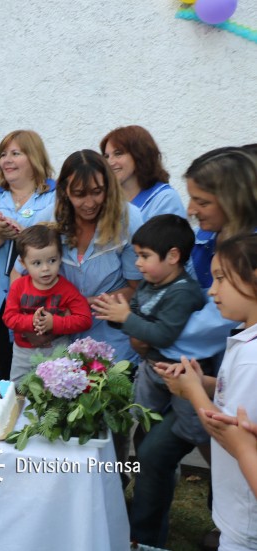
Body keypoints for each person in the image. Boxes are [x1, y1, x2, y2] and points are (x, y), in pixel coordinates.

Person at [126, 147, 257, 548]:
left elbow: (213, 315)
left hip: (205, 373)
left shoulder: (244, 250)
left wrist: (155, 336)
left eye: (202, 200)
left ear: (233, 197)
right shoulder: (219, 238)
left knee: (162, 454)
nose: (192, 208)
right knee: (159, 453)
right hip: (207, 373)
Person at [157, 233, 257, 551]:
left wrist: (193, 393)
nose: (211, 290)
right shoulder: (247, 340)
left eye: (220, 278)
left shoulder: (251, 359)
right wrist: (206, 384)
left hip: (246, 517)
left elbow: (230, 431)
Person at [0, 130, 56, 380]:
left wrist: (27, 237)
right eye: (3, 154)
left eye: (16, 153)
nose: (7, 160)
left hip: (38, 306)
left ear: (34, 157)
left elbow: (60, 243)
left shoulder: (55, 196)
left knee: (36, 381)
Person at [94, 214, 205, 415]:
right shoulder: (147, 283)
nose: (137, 263)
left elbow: (163, 335)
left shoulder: (183, 292)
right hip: (150, 368)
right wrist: (114, 316)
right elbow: (135, 316)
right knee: (142, 416)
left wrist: (125, 318)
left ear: (172, 256)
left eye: (144, 256)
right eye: (137, 255)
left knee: (190, 427)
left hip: (181, 373)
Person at [44, 150, 144, 364]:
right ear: (64, 191)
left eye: (97, 192)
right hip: (60, 342)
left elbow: (138, 288)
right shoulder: (49, 220)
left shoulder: (128, 219)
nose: (89, 203)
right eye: (79, 194)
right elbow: (22, 272)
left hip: (113, 344)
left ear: (108, 187)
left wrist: (84, 304)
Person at [2, 224, 92, 381]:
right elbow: (8, 317)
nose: (45, 268)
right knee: (18, 392)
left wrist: (54, 323)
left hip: (58, 352)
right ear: (23, 263)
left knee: (58, 394)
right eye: (37, 263)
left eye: (52, 260)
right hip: (24, 354)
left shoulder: (67, 289)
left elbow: (84, 319)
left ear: (60, 257)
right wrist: (33, 321)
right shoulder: (19, 286)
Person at [100, 125, 186, 220]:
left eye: (118, 154)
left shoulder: (165, 199)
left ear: (139, 155)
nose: (110, 162)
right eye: (106, 156)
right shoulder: (107, 201)